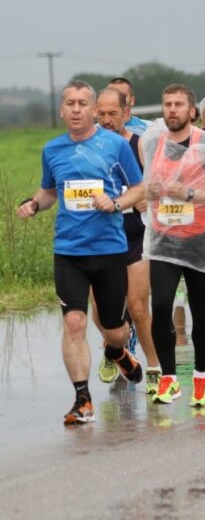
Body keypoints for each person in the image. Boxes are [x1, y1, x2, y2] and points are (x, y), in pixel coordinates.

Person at [17, 81, 146, 424]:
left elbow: (139, 189)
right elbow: (48, 192)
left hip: (109, 250)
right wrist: (33, 204)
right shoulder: (53, 150)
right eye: (69, 103)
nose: (75, 109)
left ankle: (118, 352)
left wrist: (115, 202)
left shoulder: (115, 145)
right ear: (62, 110)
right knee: (74, 322)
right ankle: (82, 399)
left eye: (82, 103)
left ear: (92, 110)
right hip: (68, 251)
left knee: (113, 327)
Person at [142, 84, 205, 407]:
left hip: (199, 237)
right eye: (167, 104)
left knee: (200, 309)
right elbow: (147, 189)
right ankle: (169, 378)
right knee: (162, 305)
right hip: (163, 238)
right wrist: (151, 191)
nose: (172, 110)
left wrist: (192, 195)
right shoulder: (153, 143)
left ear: (192, 111)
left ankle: (198, 377)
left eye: (178, 104)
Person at [93, 87, 160, 392]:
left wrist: (148, 197)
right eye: (102, 114)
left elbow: (159, 183)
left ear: (127, 114)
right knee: (103, 311)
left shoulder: (140, 145)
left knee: (137, 306)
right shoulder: (85, 148)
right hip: (97, 237)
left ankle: (156, 367)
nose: (107, 120)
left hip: (135, 235)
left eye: (113, 114)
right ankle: (115, 350)